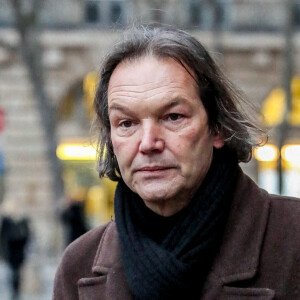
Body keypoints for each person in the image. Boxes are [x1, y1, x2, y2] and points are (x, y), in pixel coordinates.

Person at [53, 25, 300, 300]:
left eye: (173, 117)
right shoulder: (78, 265)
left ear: (217, 127)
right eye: (126, 123)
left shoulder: (291, 237)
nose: (148, 143)